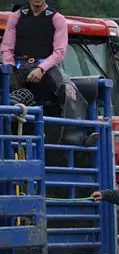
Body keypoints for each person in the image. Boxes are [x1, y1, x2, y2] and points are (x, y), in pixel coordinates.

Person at [1, 0, 96, 146]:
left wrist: (41, 68)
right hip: (18, 66)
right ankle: (8, 136)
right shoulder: (16, 17)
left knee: (68, 90)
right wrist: (9, 68)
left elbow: (59, 52)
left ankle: (77, 137)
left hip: (47, 65)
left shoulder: (57, 19)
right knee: (6, 89)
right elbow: (7, 47)